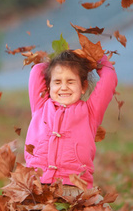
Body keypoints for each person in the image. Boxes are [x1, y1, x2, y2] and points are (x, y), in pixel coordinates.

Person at [24, 50, 118, 196]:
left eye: (70, 81)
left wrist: (93, 57)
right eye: (57, 81)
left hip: (74, 187)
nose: (63, 87)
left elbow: (109, 78)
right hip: (36, 185)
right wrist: (60, 59)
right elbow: (36, 71)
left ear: (83, 86)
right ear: (48, 86)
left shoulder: (90, 112)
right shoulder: (40, 106)